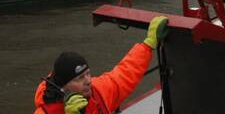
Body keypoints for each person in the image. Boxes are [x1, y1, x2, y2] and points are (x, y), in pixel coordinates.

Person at [34, 16, 168, 114]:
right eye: (79, 78)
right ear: (63, 87)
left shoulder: (97, 91)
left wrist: (148, 45)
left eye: (87, 74)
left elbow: (123, 75)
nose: (87, 81)